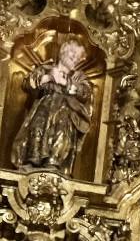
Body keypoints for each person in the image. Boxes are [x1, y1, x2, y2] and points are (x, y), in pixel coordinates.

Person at [12, 38, 92, 172]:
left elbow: (85, 93)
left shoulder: (78, 77)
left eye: (78, 57)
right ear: (65, 53)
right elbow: (27, 84)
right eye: (74, 55)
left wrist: (65, 83)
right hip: (43, 107)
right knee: (39, 121)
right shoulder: (45, 68)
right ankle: (33, 159)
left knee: (62, 121)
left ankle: (53, 162)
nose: (76, 59)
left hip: (66, 111)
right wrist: (48, 78)